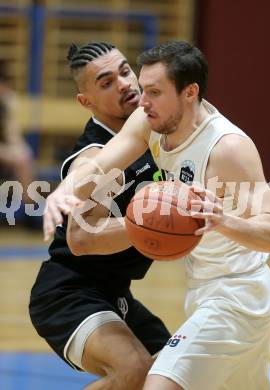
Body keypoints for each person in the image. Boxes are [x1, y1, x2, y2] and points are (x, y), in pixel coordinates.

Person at [44, 41, 270, 390]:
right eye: (143, 89)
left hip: (239, 296)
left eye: (154, 92)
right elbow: (99, 163)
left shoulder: (228, 148)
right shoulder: (150, 123)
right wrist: (64, 192)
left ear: (189, 92)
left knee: (156, 383)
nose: (141, 100)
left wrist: (222, 219)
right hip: (203, 291)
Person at [29, 42, 171, 390]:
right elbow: (81, 239)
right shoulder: (94, 157)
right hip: (67, 292)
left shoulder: (153, 132)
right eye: (106, 82)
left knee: (177, 375)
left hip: (116, 293)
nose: (124, 84)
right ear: (85, 101)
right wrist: (146, 221)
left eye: (125, 71)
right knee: (134, 371)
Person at [0, 60, 35, 213]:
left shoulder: (8, 102)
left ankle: (29, 207)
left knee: (24, 155)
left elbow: (13, 134)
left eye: (5, 86)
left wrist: (16, 151)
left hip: (5, 149)